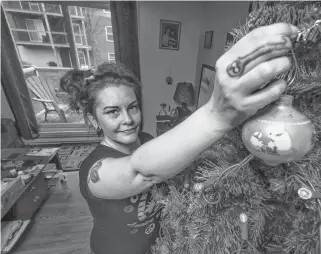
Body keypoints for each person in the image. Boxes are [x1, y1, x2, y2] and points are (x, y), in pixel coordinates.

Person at [59, 23, 298, 254]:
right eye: (112, 112)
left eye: (132, 107)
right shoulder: (94, 170)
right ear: (93, 120)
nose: (128, 119)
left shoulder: (145, 138)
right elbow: (142, 173)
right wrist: (217, 115)